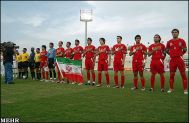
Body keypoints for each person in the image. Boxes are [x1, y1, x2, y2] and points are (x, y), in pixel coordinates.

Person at [166, 29, 188, 94]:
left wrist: (181, 53)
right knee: (171, 75)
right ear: (172, 33)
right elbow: (166, 50)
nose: (174, 33)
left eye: (176, 32)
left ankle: (185, 89)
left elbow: (185, 49)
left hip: (179, 59)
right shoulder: (169, 42)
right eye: (173, 32)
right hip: (172, 60)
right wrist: (170, 54)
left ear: (178, 33)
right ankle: (171, 88)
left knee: (183, 74)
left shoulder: (182, 40)